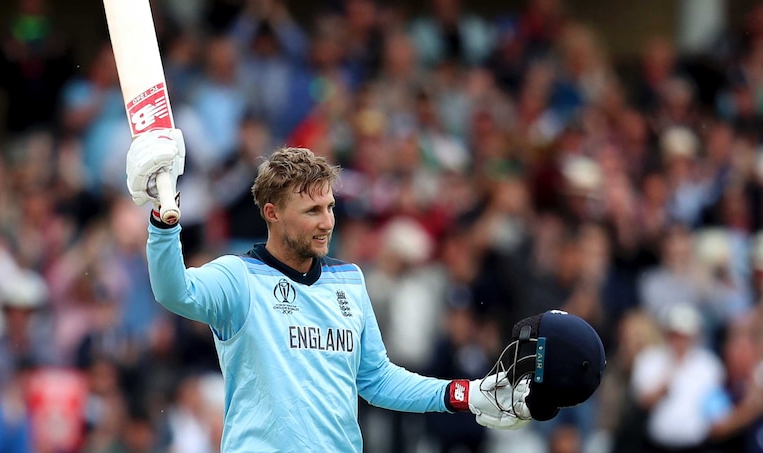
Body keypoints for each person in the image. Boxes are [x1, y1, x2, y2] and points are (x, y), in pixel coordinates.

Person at [125, 131, 603, 452]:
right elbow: (174, 292)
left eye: (330, 207)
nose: (327, 222)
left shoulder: (348, 281)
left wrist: (465, 393)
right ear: (271, 213)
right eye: (311, 211)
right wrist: (163, 226)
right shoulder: (238, 277)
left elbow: (377, 380)